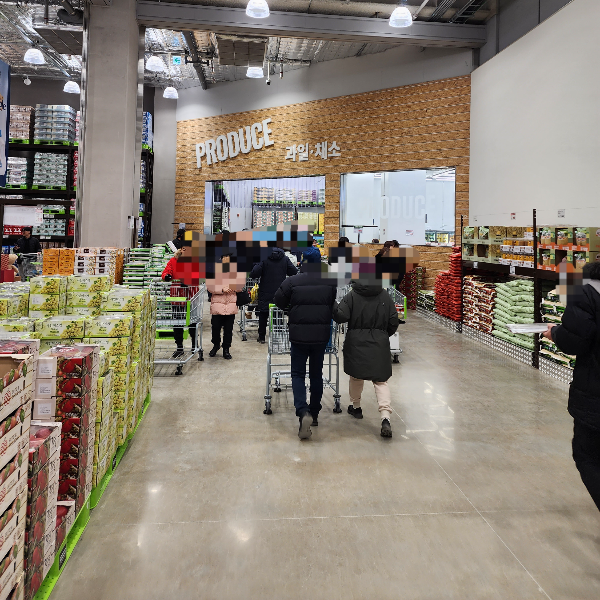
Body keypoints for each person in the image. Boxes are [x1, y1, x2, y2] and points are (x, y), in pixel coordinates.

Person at [544, 261, 600, 510]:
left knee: (587, 454)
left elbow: (575, 340)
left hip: (595, 392)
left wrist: (555, 332)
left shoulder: (587, 292)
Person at [274, 251, 337, 439]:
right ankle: (314, 413)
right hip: (320, 336)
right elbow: (331, 304)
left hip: (298, 336)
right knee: (316, 374)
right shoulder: (330, 282)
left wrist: (292, 309)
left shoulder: (292, 281)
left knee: (298, 374)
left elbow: (278, 300)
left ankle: (303, 412)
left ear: (302, 262)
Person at [333, 281, 399, 438]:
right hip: (379, 344)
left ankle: (356, 408)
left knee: (356, 377)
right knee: (381, 381)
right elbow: (393, 321)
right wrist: (382, 335)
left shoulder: (352, 296)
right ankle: (385, 417)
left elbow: (341, 316)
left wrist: (332, 303)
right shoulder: (385, 296)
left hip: (356, 343)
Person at [250, 247, 297, 344]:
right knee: (278, 313)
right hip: (280, 292)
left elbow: (254, 273)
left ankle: (262, 337)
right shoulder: (284, 258)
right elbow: (294, 272)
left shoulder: (264, 258)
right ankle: (277, 337)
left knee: (263, 314)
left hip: (265, 291)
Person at [161, 247, 200, 358]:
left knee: (193, 322)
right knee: (177, 322)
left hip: (191, 297)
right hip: (177, 297)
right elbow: (166, 271)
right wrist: (167, 276)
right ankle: (179, 347)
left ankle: (194, 345)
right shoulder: (173, 260)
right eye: (183, 249)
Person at [206, 254, 245, 360]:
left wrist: (232, 287)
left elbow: (241, 285)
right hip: (217, 305)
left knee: (228, 329)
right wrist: (222, 289)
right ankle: (216, 345)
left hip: (231, 304)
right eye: (225, 256)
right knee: (215, 328)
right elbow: (210, 286)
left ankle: (226, 348)